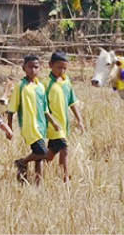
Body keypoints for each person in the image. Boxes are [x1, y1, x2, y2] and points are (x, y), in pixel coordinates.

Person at [7, 54, 56, 185]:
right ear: (24, 68)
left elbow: (45, 109)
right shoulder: (20, 86)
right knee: (45, 153)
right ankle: (22, 162)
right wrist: (9, 127)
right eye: (30, 67)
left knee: (38, 156)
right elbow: (11, 109)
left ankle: (38, 183)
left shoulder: (40, 86)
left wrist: (53, 123)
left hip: (41, 126)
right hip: (29, 126)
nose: (33, 70)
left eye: (36, 67)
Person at [42, 51, 85, 182]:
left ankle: (34, 164)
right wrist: (52, 122)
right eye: (59, 67)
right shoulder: (46, 84)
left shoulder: (66, 82)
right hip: (52, 124)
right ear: (50, 65)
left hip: (64, 124)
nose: (62, 71)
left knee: (51, 153)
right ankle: (65, 177)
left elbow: (72, 102)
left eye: (65, 68)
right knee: (64, 148)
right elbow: (43, 107)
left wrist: (80, 120)